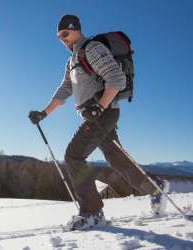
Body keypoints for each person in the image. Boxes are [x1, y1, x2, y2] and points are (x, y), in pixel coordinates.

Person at [28, 14, 167, 230]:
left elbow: (117, 79)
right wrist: (43, 113)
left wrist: (100, 106)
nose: (62, 39)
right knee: (116, 158)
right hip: (96, 114)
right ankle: (155, 188)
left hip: (103, 114)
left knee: (73, 156)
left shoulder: (92, 48)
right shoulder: (71, 60)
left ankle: (92, 212)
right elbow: (65, 90)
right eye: (59, 36)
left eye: (65, 33)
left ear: (76, 29)